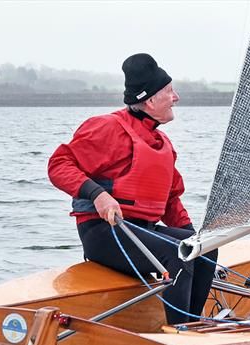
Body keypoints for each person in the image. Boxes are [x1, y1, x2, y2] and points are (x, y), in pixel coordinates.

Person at [48, 53, 217, 325]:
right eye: (170, 92)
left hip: (144, 232)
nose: (177, 98)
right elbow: (59, 164)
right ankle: (180, 332)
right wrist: (97, 194)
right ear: (150, 100)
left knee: (202, 248)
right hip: (104, 232)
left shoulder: (162, 143)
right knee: (177, 253)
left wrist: (195, 237)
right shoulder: (108, 128)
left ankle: (193, 325)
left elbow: (171, 201)